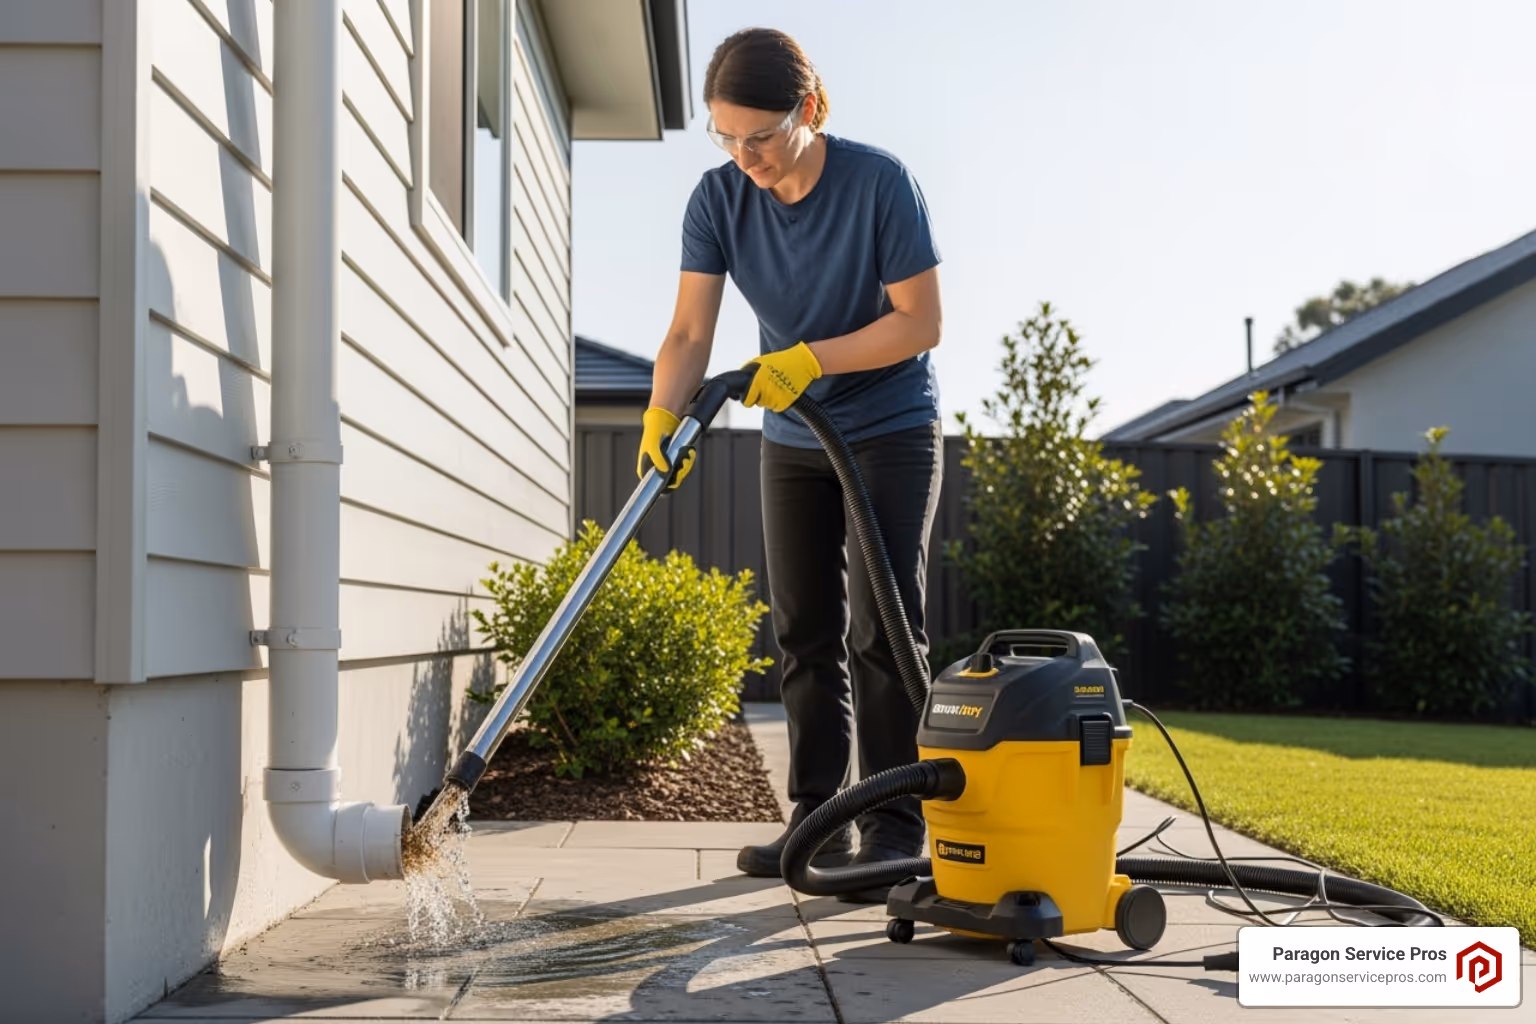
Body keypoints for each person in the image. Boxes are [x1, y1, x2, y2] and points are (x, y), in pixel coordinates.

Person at [639, 27, 944, 903]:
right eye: (726, 137)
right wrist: (663, 409)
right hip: (793, 438)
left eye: (760, 137)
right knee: (804, 631)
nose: (745, 157)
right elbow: (691, 332)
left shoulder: (879, 183)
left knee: (884, 631)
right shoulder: (718, 199)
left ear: (808, 110)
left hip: (888, 426)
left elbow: (919, 322)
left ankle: (894, 823)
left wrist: (810, 359)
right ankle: (816, 819)